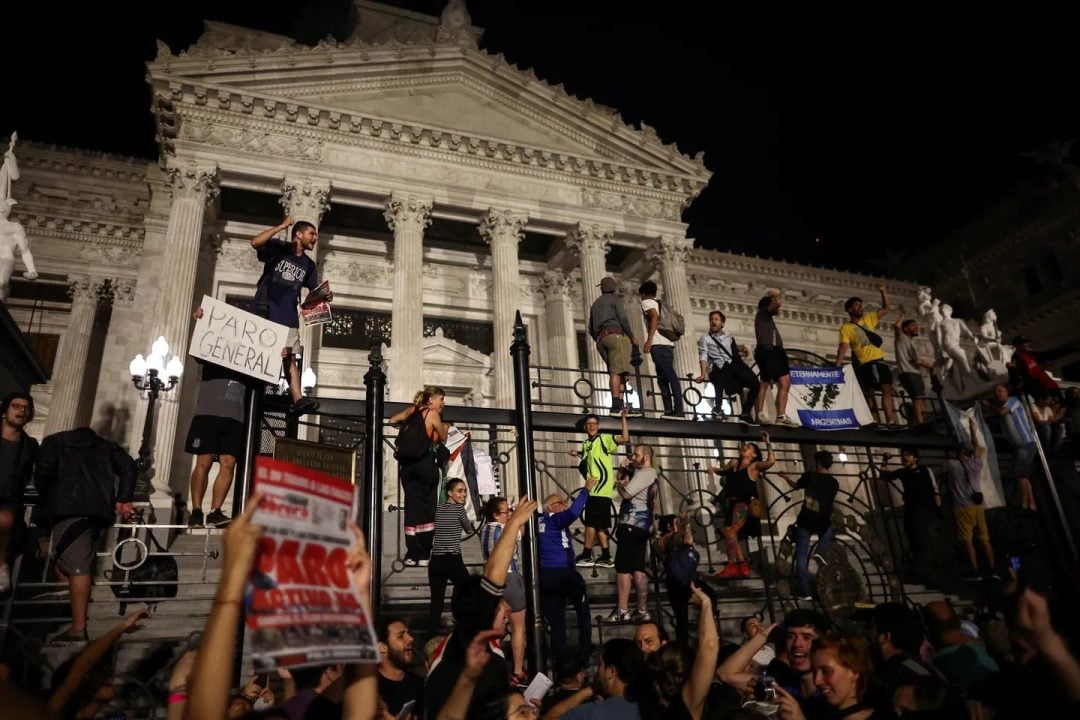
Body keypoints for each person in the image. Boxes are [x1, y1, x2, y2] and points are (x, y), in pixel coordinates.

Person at [34, 426, 137, 642]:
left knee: (77, 565)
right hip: (97, 509)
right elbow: (128, 465)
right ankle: (71, 602)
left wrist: (47, 496)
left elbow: (43, 474)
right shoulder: (106, 446)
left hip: (67, 508)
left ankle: (78, 628)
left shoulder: (55, 442)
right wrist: (123, 498)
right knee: (67, 559)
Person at [185, 308, 251, 528]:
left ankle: (215, 511)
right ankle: (196, 511)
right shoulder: (213, 351)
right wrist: (199, 322)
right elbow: (197, 349)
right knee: (203, 461)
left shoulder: (248, 356)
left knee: (228, 463)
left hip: (235, 416)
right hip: (208, 412)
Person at [250, 215, 320, 415]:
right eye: (311, 234)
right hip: (266, 311)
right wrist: (281, 226)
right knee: (262, 351)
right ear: (299, 234)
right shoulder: (278, 249)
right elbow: (255, 242)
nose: (314, 238)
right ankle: (255, 389)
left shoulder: (309, 265)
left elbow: (313, 292)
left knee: (290, 357)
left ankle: (298, 398)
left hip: (288, 315)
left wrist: (324, 296)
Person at [389, 386, 449, 565]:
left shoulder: (411, 411)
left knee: (411, 507)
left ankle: (411, 553)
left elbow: (392, 420)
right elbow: (443, 437)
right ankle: (424, 554)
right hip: (425, 465)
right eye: (441, 399)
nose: (443, 403)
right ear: (431, 400)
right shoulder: (432, 414)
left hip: (407, 467)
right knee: (427, 508)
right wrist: (444, 428)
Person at [539, 478, 597, 657]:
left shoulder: (538, 522)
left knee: (557, 621)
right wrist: (585, 490)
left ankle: (560, 658)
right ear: (551, 507)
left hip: (545, 576)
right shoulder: (555, 519)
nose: (564, 505)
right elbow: (573, 512)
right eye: (561, 503)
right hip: (563, 572)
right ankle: (586, 647)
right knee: (582, 608)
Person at [708, 432, 774, 578]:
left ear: (754, 455)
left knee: (731, 532)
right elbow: (725, 472)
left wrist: (768, 443)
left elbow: (770, 462)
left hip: (744, 504)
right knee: (728, 533)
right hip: (730, 504)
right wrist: (715, 470)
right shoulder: (733, 463)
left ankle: (731, 565)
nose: (745, 448)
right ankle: (743, 565)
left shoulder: (754, 466)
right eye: (745, 446)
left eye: (749, 447)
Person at [542, 637, 658, 719]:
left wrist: (590, 689)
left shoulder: (592, 712)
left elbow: (551, 717)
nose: (598, 671)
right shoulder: (652, 706)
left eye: (600, 665)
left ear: (611, 671)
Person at [777, 450, 840, 602]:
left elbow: (796, 486)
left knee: (801, 556)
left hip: (807, 519)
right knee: (827, 535)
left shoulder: (810, 476)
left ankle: (805, 591)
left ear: (817, 462)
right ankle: (821, 550)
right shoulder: (834, 482)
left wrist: (785, 477)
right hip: (823, 520)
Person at [571, 410, 629, 567]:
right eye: (589, 424)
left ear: (598, 426)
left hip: (600, 489)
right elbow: (590, 456)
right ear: (585, 427)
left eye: (594, 424)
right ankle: (606, 556)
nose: (592, 426)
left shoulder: (604, 439)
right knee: (600, 525)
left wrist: (623, 419)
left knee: (590, 523)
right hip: (594, 489)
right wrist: (578, 453)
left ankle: (587, 554)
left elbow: (624, 438)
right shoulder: (586, 444)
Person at [481, 495, 528, 684]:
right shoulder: (505, 528)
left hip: (490, 581)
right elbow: (521, 531)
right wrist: (518, 516)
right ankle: (517, 671)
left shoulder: (485, 529)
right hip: (509, 576)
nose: (509, 514)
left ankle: (494, 666)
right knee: (518, 628)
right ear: (495, 514)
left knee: (496, 628)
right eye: (506, 511)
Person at [608, 444, 658, 623]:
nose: (633, 458)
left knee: (622, 568)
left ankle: (622, 610)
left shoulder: (646, 473)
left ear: (646, 457)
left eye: (636, 455)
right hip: (642, 526)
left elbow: (627, 494)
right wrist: (623, 470)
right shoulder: (648, 474)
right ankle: (642, 610)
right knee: (638, 568)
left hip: (631, 524)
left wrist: (619, 485)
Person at [942, 418, 994, 579]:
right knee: (985, 539)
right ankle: (992, 569)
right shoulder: (977, 463)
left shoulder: (952, 464)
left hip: (962, 507)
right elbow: (977, 447)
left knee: (968, 541)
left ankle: (975, 571)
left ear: (960, 453)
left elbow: (939, 472)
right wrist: (972, 429)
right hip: (978, 506)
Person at [836, 287, 896, 425]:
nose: (860, 307)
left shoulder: (869, 318)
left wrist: (883, 292)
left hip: (879, 360)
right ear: (850, 309)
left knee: (887, 389)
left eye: (861, 304)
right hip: (865, 363)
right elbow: (843, 346)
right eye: (857, 305)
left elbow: (886, 308)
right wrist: (838, 364)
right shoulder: (846, 328)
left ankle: (890, 420)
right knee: (868, 392)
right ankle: (870, 420)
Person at [879, 448, 940, 578]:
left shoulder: (924, 470)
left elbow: (935, 490)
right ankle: (918, 570)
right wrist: (884, 460)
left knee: (923, 539)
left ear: (915, 458)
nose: (904, 458)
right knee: (913, 538)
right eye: (903, 455)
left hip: (924, 509)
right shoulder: (904, 472)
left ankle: (928, 570)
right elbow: (884, 476)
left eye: (908, 455)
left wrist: (937, 508)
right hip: (911, 509)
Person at [0, 392, 38, 593]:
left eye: (26, 408)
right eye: (16, 406)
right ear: (5, 410)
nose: (22, 411)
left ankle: (1, 566)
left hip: (9, 499)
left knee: (4, 520)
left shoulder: (30, 445)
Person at [589, 276, 641, 416]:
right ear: (613, 288)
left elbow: (590, 329)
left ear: (602, 288)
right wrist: (631, 336)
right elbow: (623, 319)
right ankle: (615, 406)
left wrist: (600, 338)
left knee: (618, 371)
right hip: (615, 336)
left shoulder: (595, 305)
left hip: (601, 340)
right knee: (617, 372)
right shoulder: (615, 300)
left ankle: (620, 404)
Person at [695, 310, 758, 423]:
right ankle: (717, 407)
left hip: (735, 363)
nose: (713, 321)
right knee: (717, 375)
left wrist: (742, 348)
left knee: (755, 383)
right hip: (719, 366)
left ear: (722, 323)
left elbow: (731, 347)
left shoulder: (728, 335)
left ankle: (746, 412)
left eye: (716, 319)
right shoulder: (705, 338)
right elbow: (703, 356)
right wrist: (703, 374)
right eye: (712, 319)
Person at [982, 383, 1038, 510]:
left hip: (1025, 442)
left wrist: (990, 406)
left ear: (1006, 392)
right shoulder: (1000, 408)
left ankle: (1024, 503)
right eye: (995, 392)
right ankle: (1031, 503)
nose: (998, 393)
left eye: (1000, 390)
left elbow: (1003, 412)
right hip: (1018, 445)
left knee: (1020, 474)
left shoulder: (1013, 401)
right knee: (1024, 475)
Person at [428, 478, 473, 634]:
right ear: (450, 493)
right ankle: (463, 625)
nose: (464, 495)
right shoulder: (460, 510)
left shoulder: (437, 509)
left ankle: (431, 636)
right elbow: (468, 529)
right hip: (453, 560)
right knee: (468, 591)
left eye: (465, 491)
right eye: (460, 491)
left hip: (436, 561)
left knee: (436, 602)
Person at [639, 280, 685, 419]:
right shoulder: (659, 302)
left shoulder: (647, 302)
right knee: (662, 378)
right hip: (668, 344)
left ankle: (678, 410)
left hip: (658, 345)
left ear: (643, 293)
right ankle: (669, 410)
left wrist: (649, 339)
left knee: (669, 376)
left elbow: (654, 317)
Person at [754, 291, 795, 425]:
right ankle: (760, 413)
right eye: (774, 307)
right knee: (765, 383)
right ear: (768, 305)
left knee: (785, 383)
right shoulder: (763, 314)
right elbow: (777, 303)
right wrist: (774, 296)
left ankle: (780, 415)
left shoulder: (768, 319)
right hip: (768, 351)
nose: (778, 309)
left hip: (776, 352)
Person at [376, 616, 424, 719]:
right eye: (401, 636)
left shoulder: (419, 684)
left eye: (408, 634)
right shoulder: (368, 685)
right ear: (382, 647)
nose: (411, 639)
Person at [893, 312, 934, 425]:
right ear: (906, 328)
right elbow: (897, 326)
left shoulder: (909, 342)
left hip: (911, 372)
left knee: (919, 398)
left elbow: (916, 360)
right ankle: (921, 422)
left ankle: (921, 418)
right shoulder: (902, 338)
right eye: (914, 326)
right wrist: (903, 315)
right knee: (918, 398)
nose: (917, 328)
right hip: (909, 372)